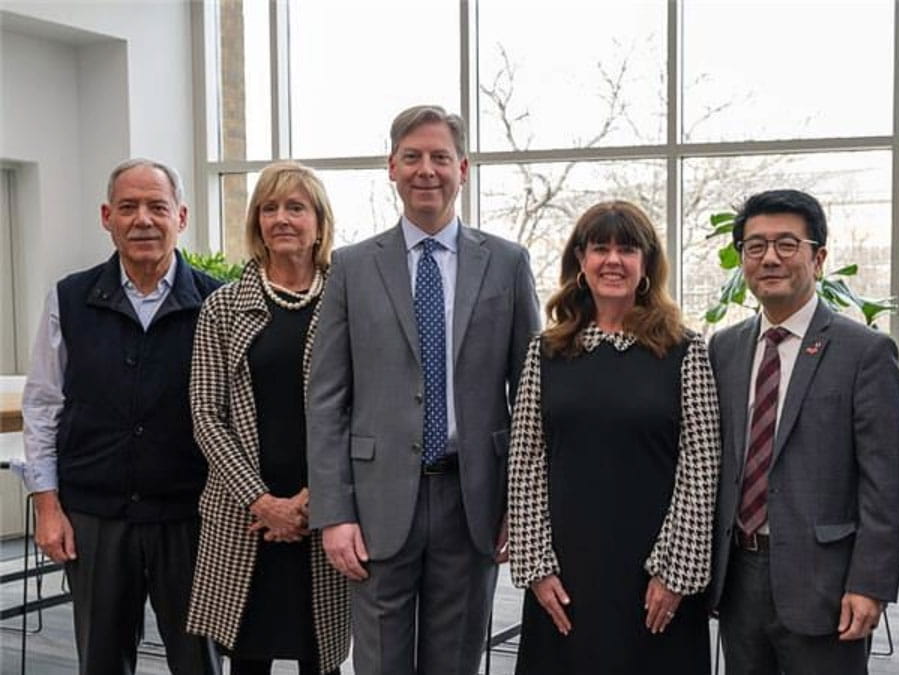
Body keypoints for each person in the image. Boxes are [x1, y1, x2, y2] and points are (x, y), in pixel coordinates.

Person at [306, 104, 540, 675]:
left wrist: (521, 504)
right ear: (392, 167)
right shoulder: (351, 267)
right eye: (412, 157)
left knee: (456, 660)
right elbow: (326, 398)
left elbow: (532, 396)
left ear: (463, 168)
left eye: (440, 157)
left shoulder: (507, 264)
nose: (426, 170)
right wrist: (334, 513)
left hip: (474, 499)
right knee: (382, 663)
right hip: (376, 501)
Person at [20, 158, 222, 674]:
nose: (143, 220)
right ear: (107, 216)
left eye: (157, 207)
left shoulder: (216, 304)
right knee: (102, 660)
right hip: (95, 515)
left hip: (190, 516)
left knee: (198, 661)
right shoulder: (68, 299)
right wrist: (47, 505)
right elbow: (43, 405)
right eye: (128, 207)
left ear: (181, 216)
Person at [507, 200, 720, 674]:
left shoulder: (686, 351)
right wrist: (537, 568)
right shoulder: (545, 352)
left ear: (646, 264)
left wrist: (675, 573)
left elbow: (700, 472)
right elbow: (524, 467)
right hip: (565, 575)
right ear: (580, 261)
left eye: (627, 249)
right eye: (599, 247)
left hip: (655, 577)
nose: (613, 260)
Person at [708, 189, 899, 674]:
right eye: (755, 247)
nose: (770, 258)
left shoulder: (864, 352)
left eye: (786, 244)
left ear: (818, 258)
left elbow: (886, 481)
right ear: (742, 261)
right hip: (739, 575)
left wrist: (870, 583)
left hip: (827, 581)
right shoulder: (724, 349)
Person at [186, 162, 349, 674]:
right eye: (269, 208)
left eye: (296, 207)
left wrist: (310, 500)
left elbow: (364, 411)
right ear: (256, 222)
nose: (282, 218)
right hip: (245, 517)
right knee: (248, 660)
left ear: (319, 223)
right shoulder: (223, 307)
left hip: (324, 513)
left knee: (318, 656)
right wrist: (265, 502)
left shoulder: (348, 304)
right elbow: (206, 415)